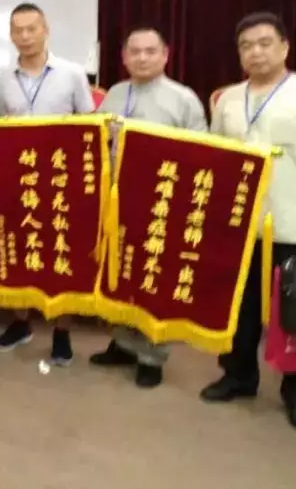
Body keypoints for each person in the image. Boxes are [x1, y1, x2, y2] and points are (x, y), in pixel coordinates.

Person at [202, 11, 296, 432]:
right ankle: (238, 375)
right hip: (240, 224)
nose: (256, 52)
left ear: (284, 47)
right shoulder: (228, 99)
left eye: (265, 43)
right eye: (246, 46)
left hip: (294, 223)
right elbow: (217, 157)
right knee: (239, 309)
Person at [89, 26, 208, 388]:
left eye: (150, 51)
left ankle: (152, 355)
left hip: (162, 204)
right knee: (120, 273)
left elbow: (201, 153)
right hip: (118, 201)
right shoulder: (114, 94)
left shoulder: (183, 99)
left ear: (165, 55)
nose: (142, 58)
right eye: (134, 52)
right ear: (124, 57)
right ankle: (123, 343)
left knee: (154, 278)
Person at [0, 3, 95, 364]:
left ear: (45, 29)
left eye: (31, 28)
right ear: (10, 35)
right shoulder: (1, 79)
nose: (24, 36)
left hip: (62, 181)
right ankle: (21, 323)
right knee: (20, 248)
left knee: (62, 253)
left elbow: (89, 124)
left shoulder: (72, 73)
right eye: (17, 30)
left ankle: (61, 332)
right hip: (18, 179)